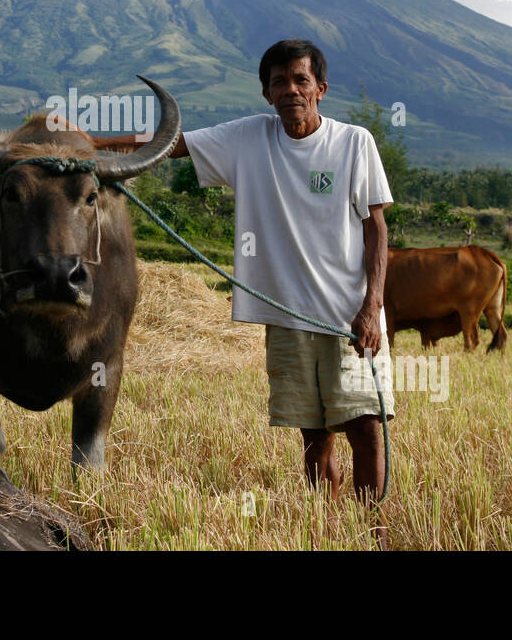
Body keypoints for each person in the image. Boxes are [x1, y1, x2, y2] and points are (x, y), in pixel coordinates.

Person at [92, 39, 395, 540]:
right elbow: (173, 145)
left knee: (366, 431)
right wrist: (90, 146)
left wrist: (373, 305)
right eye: (280, 82)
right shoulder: (250, 138)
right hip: (289, 319)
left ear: (321, 88)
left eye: (301, 80)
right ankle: (328, 533)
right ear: (265, 93)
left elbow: (376, 228)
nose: (291, 90)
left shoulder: (354, 142)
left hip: (350, 319)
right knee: (314, 440)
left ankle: (372, 535)